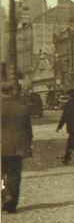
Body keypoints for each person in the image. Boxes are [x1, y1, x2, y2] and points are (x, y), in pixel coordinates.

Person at [2, 81, 34, 213]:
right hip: (18, 148)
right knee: (15, 176)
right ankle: (11, 205)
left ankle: (4, 194)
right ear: (12, 91)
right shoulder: (22, 108)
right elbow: (28, 130)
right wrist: (28, 145)